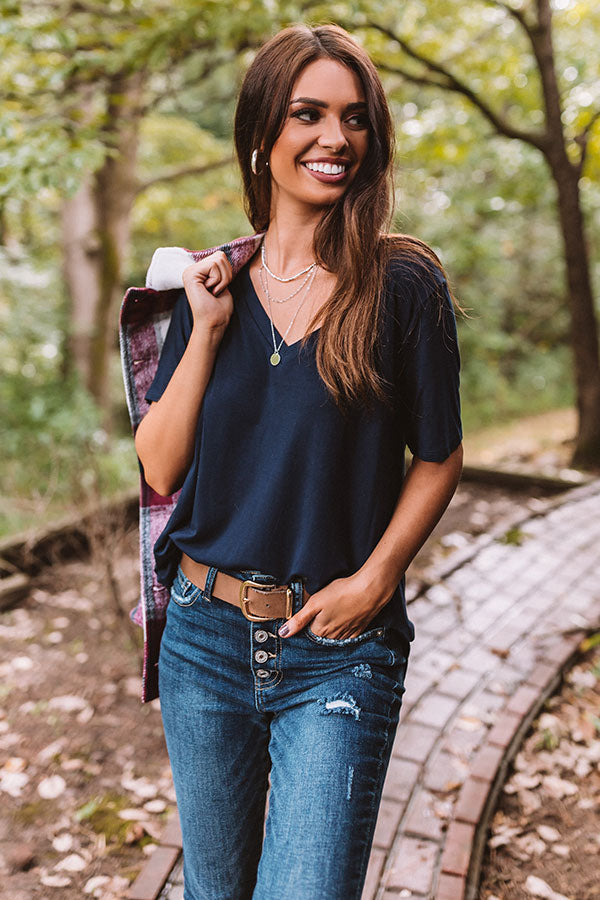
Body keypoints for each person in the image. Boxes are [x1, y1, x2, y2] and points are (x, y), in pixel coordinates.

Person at [121, 22, 463, 900]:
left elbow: (440, 456)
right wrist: (206, 334)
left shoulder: (402, 285)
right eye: (307, 114)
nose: (333, 139)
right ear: (260, 135)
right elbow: (159, 469)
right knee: (215, 890)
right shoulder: (209, 285)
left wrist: (379, 579)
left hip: (337, 647)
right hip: (205, 636)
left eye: (353, 119)